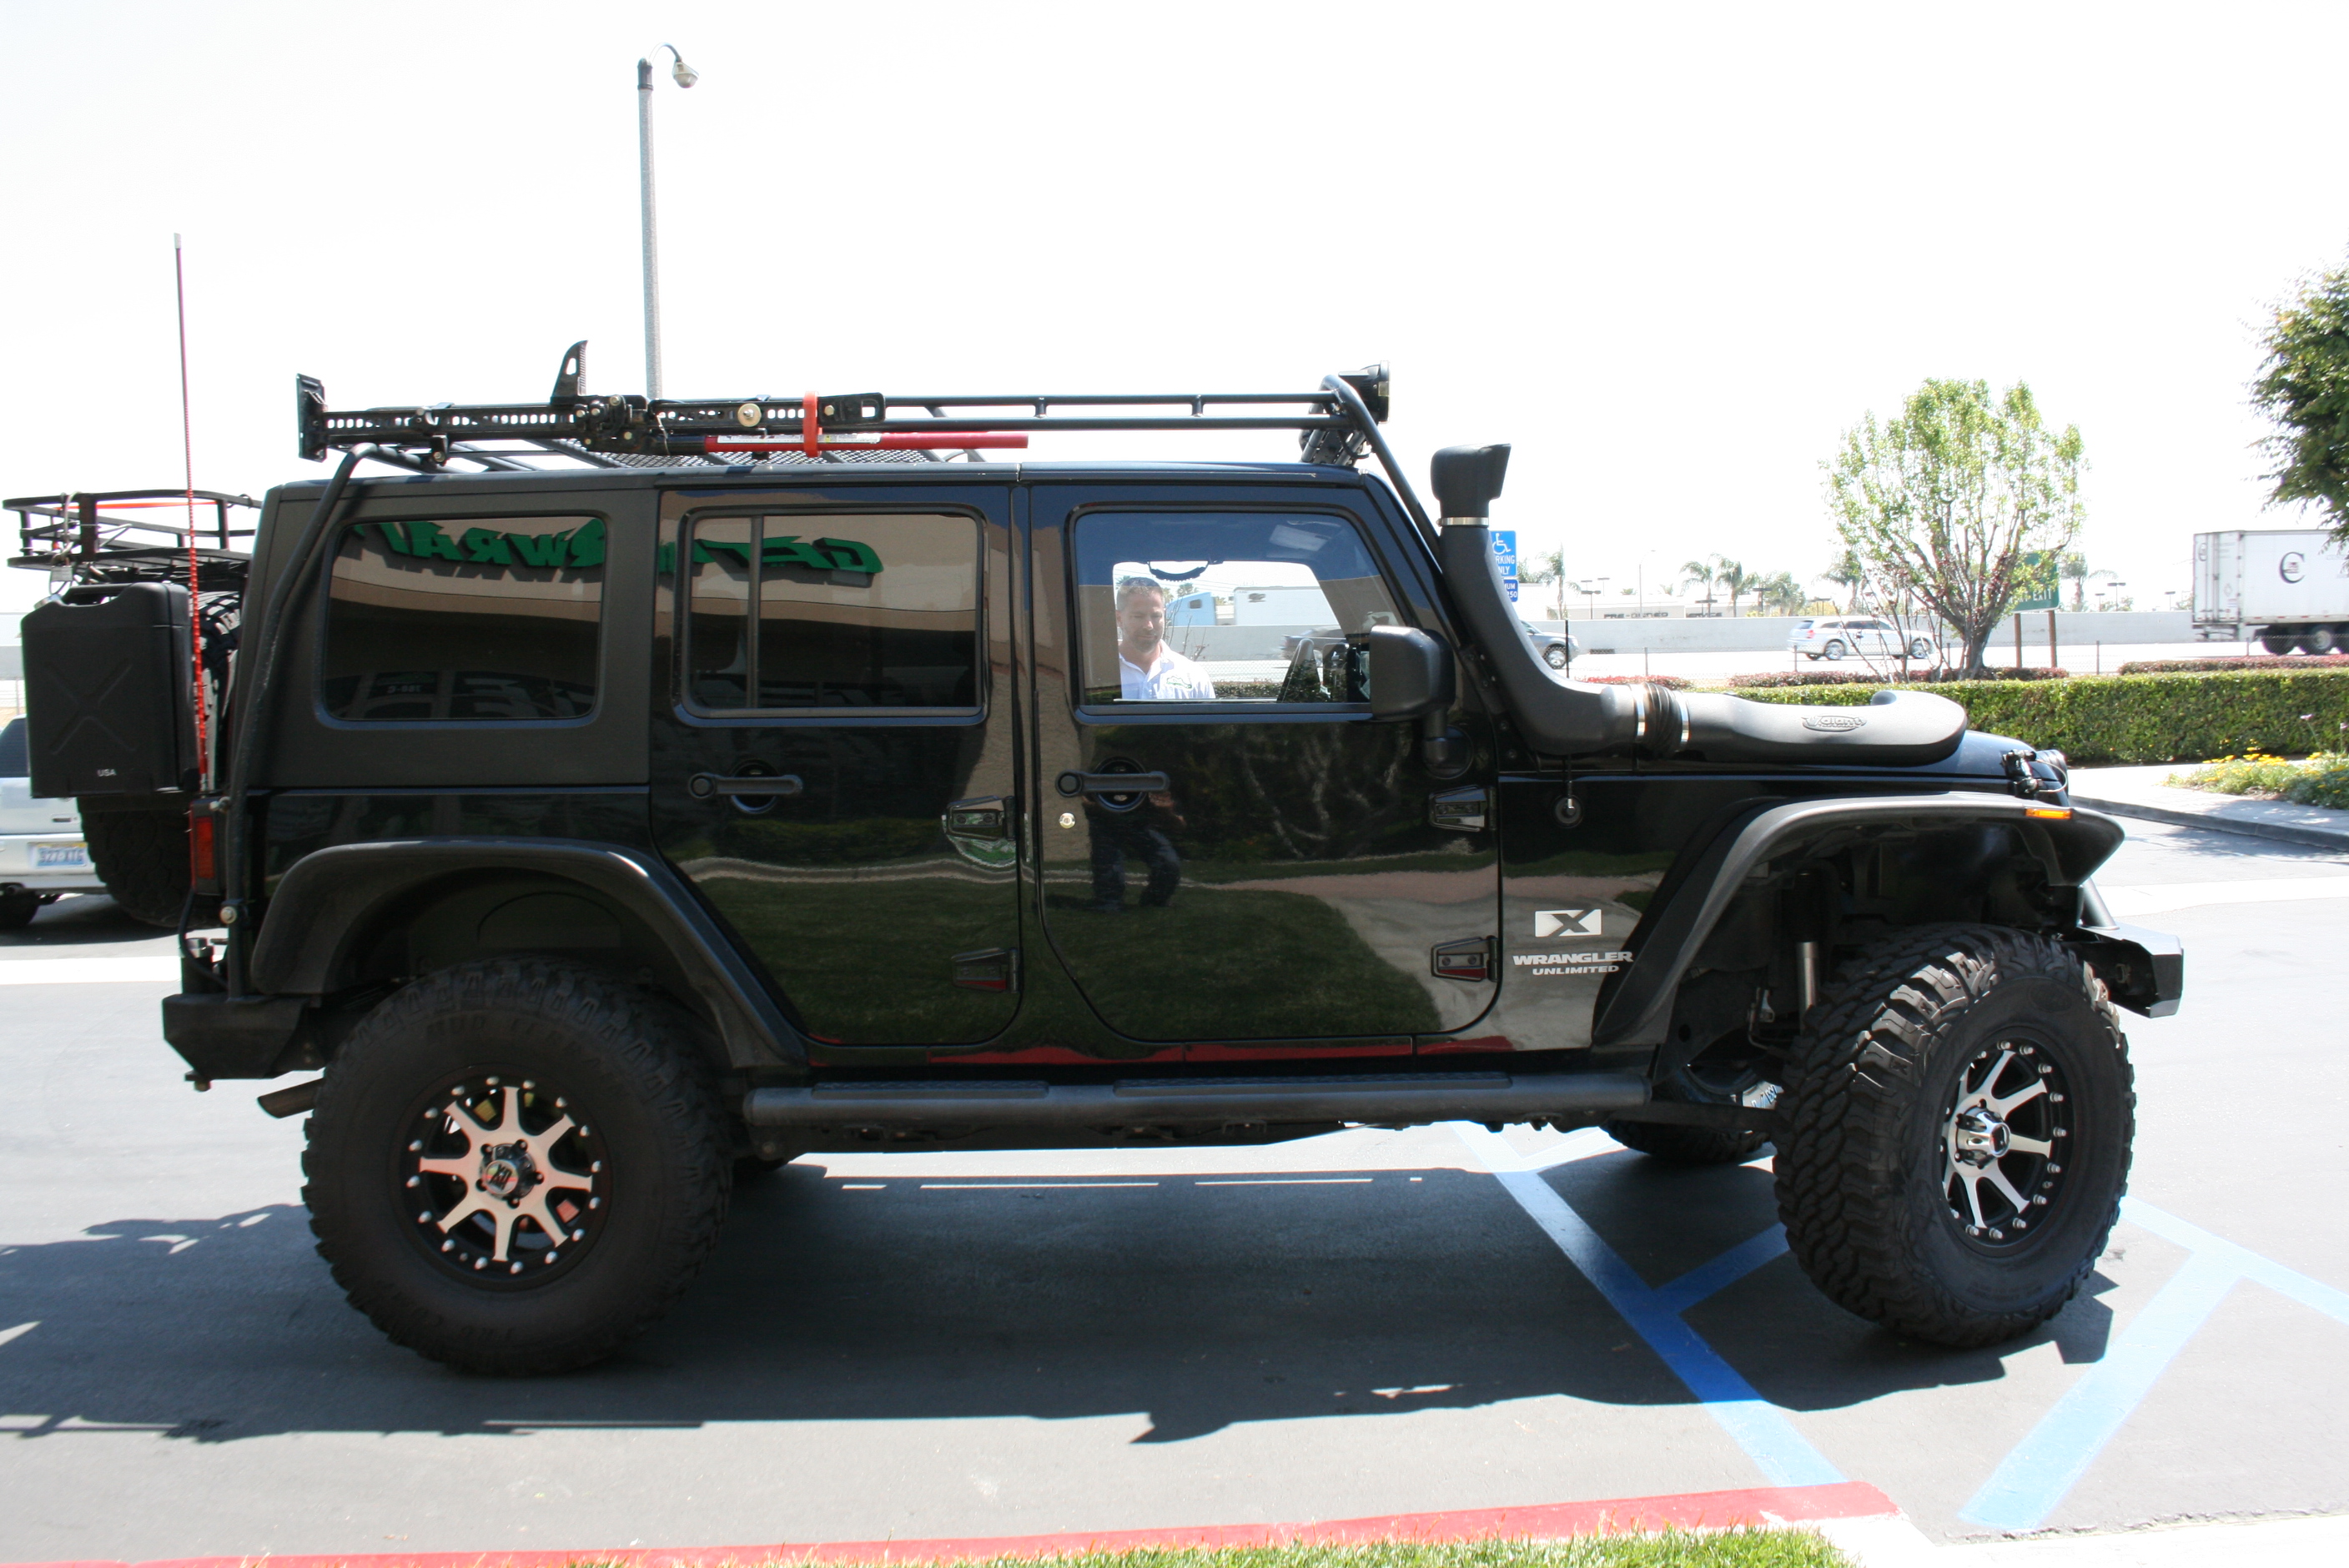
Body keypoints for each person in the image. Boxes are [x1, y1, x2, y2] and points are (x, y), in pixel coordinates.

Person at [1113, 577, 1216, 700]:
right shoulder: (1097, 675)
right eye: (1138, 616)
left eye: (1156, 616)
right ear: (1119, 618)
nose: (1149, 625)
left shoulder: (1193, 675)